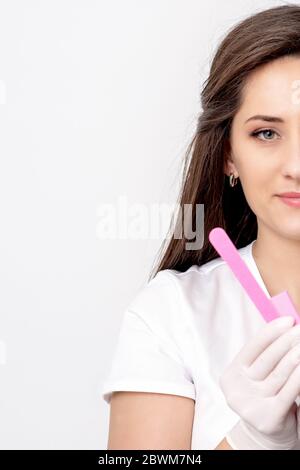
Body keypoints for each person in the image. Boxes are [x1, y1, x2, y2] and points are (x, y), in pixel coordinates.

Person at [101, 4, 300, 449]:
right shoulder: (171, 316)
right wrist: (253, 440)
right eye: (267, 133)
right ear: (229, 154)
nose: (297, 166)